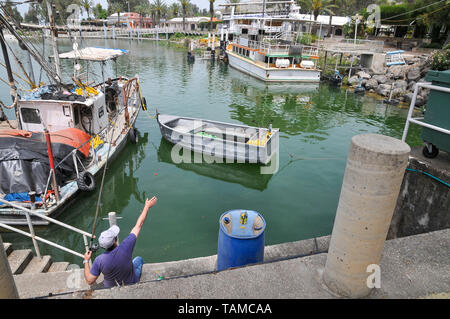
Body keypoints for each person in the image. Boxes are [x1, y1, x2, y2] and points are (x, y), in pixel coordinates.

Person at [83, 196, 158, 288]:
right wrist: (147, 206)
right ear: (115, 240)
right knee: (138, 259)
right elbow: (139, 225)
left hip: (111, 288)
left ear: (102, 246)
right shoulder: (126, 246)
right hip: (132, 282)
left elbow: (89, 281)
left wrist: (86, 260)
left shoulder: (99, 260)